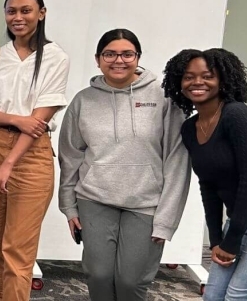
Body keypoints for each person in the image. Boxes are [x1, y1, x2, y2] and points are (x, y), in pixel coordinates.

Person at [58, 29, 190, 301]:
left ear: (138, 57)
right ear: (97, 59)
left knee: (131, 282)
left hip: (146, 203)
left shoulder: (164, 98)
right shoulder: (84, 100)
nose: (118, 60)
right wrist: (69, 206)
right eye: (110, 54)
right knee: (99, 276)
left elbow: (177, 160)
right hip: (94, 199)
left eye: (127, 54)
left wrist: (166, 220)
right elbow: (70, 156)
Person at [162, 48, 247, 301]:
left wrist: (231, 241)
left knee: (240, 296)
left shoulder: (238, 116)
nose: (197, 82)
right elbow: (208, 186)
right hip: (240, 217)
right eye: (188, 76)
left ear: (223, 80)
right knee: (213, 295)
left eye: (207, 76)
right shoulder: (190, 128)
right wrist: (216, 239)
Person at [0, 0, 69, 301]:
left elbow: (38, 122)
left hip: (30, 154)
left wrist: (10, 163)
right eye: (11, 11)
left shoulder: (56, 58)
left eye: (26, 10)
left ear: (41, 14)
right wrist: (16, 118)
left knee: (18, 248)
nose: (18, 17)